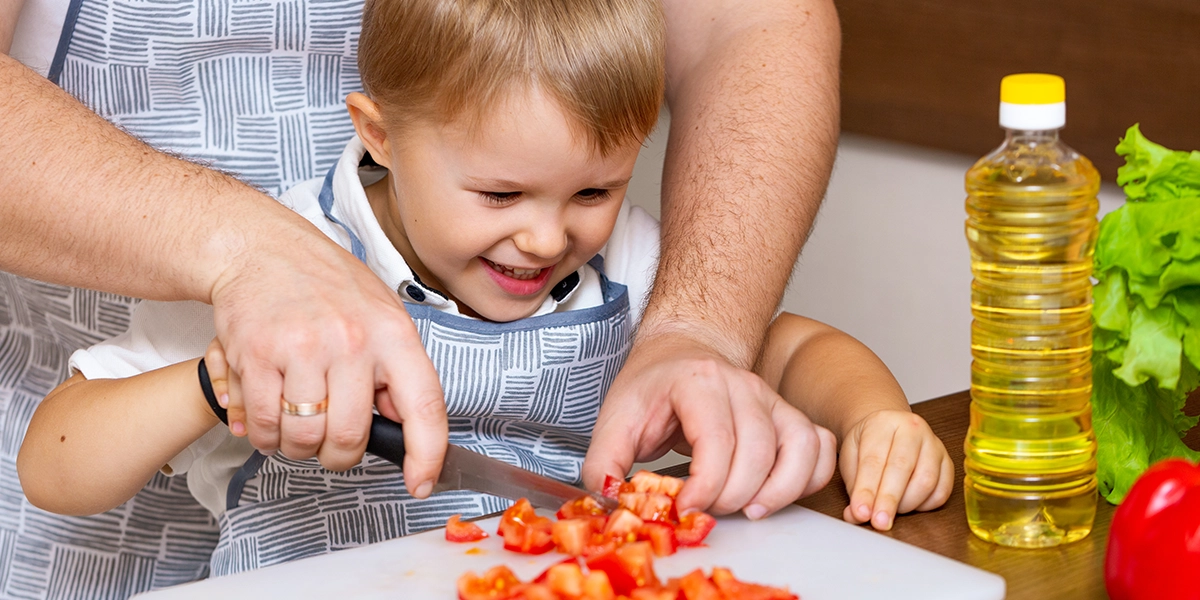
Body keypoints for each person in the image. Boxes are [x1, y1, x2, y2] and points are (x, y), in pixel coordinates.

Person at [18, 0, 952, 579]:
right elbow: (55, 461)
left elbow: (792, 348)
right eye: (500, 194)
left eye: (594, 189)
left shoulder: (615, 265)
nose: (548, 236)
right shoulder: (281, 280)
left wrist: (874, 419)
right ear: (378, 136)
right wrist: (212, 384)